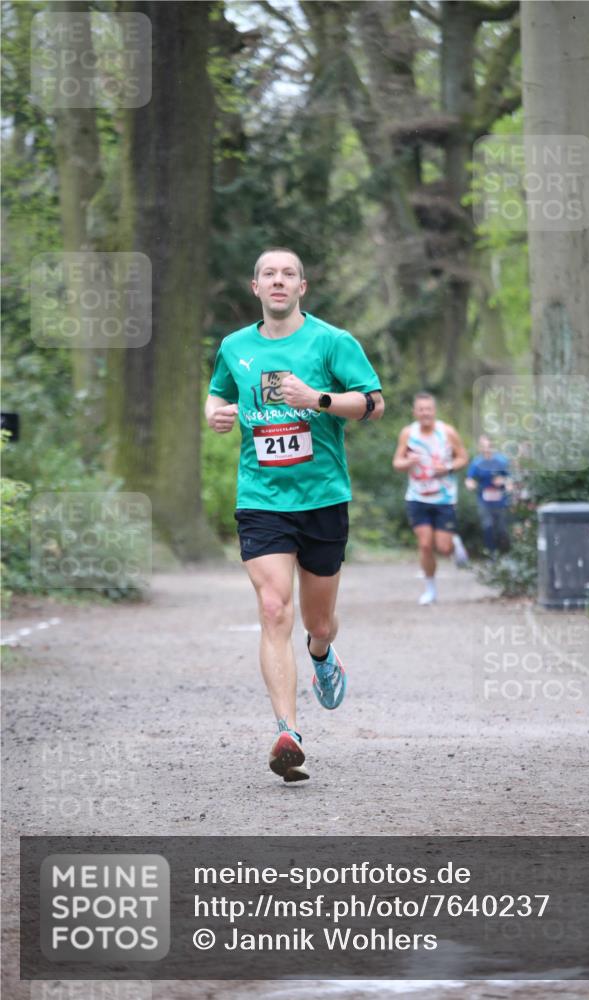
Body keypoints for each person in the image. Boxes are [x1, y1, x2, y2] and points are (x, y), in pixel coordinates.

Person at [205, 248, 384, 784]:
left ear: (301, 287)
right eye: (268, 274)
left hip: (323, 497)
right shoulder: (235, 347)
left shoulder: (332, 341)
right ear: (255, 287)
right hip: (261, 499)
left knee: (318, 621)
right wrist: (215, 415)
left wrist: (319, 398)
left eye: (288, 274)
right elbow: (217, 398)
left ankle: (323, 654)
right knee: (272, 607)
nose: (278, 281)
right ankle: (289, 733)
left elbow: (374, 404)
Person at [392, 393, 468, 605]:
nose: (425, 413)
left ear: (434, 411)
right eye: (421, 409)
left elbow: (463, 457)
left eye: (429, 409)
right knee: (425, 545)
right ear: (415, 412)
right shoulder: (408, 433)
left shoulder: (447, 432)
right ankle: (430, 589)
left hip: (444, 498)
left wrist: (448, 468)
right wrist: (408, 462)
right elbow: (397, 463)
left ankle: (454, 543)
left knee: (442, 547)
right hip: (417, 497)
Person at [465, 434, 513, 556]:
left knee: (502, 529)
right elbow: (469, 479)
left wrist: (503, 482)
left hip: (501, 501)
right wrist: (471, 484)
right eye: (483, 446)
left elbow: (511, 480)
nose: (486, 449)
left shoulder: (502, 461)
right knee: (488, 526)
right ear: (480, 447)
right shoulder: (477, 463)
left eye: (489, 446)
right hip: (484, 500)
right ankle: (491, 555)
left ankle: (505, 555)